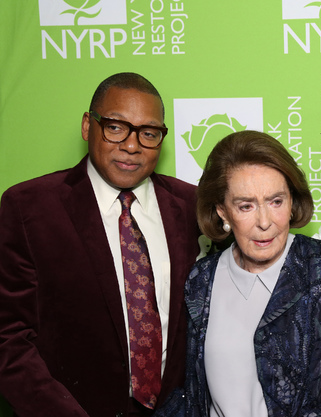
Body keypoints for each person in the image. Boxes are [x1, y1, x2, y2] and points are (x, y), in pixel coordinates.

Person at [0, 73, 200, 416]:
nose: (132, 145)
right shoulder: (28, 208)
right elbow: (9, 339)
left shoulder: (191, 205)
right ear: (86, 126)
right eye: (116, 127)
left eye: (148, 133)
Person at [155, 130, 321, 417]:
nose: (264, 222)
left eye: (276, 201)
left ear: (292, 202)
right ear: (222, 212)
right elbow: (191, 395)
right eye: (245, 206)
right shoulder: (201, 280)